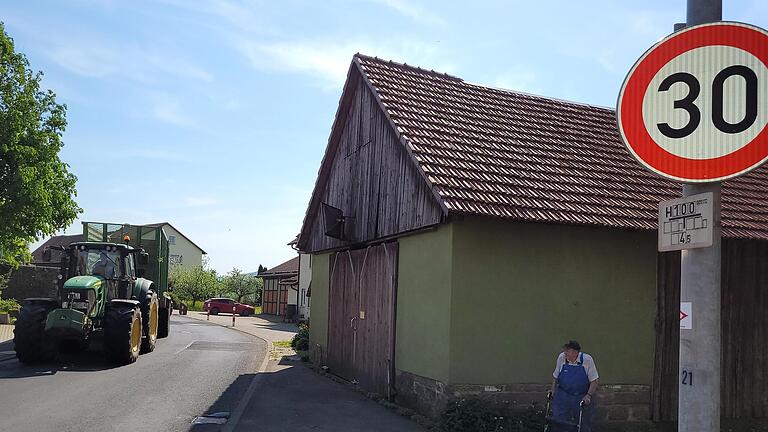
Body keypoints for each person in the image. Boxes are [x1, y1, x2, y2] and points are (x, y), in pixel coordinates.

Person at [547, 340, 599, 432]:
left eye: (568, 351)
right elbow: (555, 377)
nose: (565, 353)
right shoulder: (562, 357)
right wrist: (553, 391)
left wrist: (588, 395)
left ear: (575, 352)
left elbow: (594, 381)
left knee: (583, 423)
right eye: (565, 350)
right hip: (563, 395)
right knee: (559, 422)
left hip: (580, 396)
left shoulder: (587, 360)